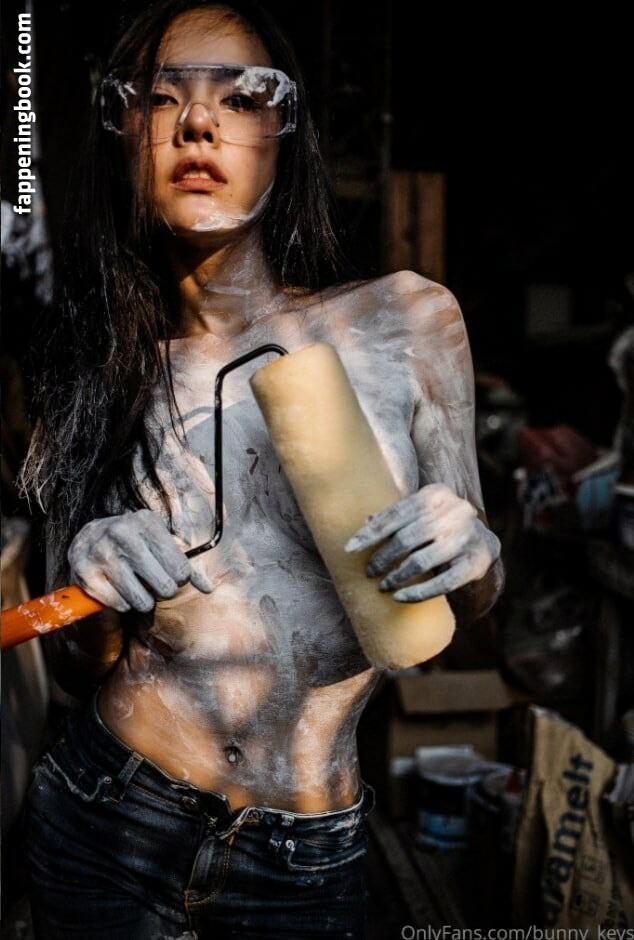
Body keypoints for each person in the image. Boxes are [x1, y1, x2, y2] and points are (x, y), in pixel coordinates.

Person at [19, 1, 504, 937]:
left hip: (305, 855)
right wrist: (93, 576)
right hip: (108, 819)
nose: (199, 122)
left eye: (241, 98)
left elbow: (474, 601)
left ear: (286, 138)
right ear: (124, 139)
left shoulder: (406, 323)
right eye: (163, 98)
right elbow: (81, 667)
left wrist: (472, 548)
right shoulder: (97, 369)